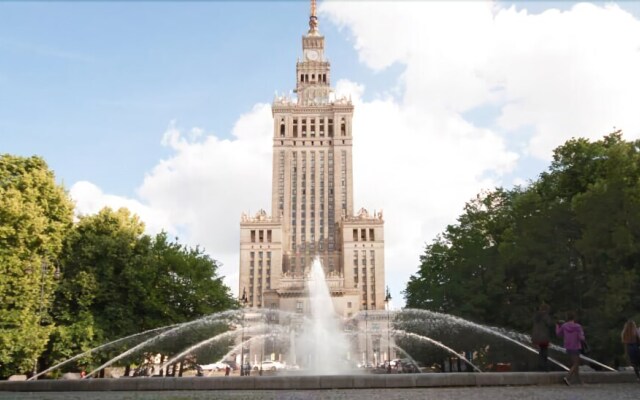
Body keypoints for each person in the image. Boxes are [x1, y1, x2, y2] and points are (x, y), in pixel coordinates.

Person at [556, 311, 585, 386]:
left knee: (574, 364)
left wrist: (557, 326)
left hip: (568, 346)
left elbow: (558, 334)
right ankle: (567, 377)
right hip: (576, 346)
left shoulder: (564, 326)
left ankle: (579, 381)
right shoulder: (578, 326)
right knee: (576, 363)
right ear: (574, 318)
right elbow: (581, 338)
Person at [532, 303, 554, 371]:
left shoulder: (536, 316)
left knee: (540, 352)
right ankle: (545, 367)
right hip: (544, 337)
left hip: (536, 337)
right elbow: (549, 324)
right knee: (544, 352)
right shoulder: (545, 316)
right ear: (546, 309)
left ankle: (540, 367)